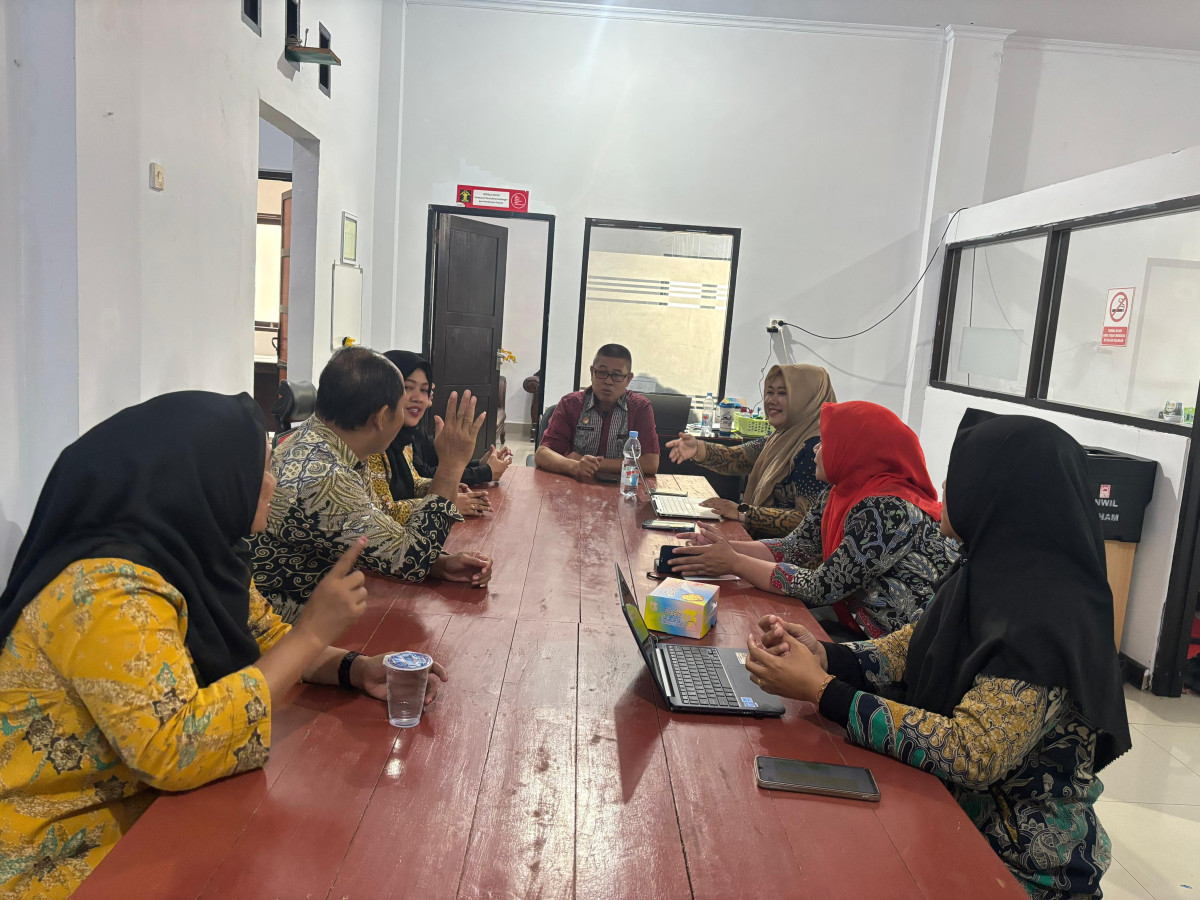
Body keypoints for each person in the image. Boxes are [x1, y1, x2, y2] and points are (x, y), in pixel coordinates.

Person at [0, 391, 447, 898]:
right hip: (67, 853)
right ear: (204, 478)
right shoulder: (107, 589)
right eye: (259, 469)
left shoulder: (199, 554)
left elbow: (267, 639)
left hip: (152, 815)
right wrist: (311, 633)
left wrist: (354, 668)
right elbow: (174, 749)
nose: (273, 483)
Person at [744, 410, 1132, 899]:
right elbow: (913, 645)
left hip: (1017, 865)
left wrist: (824, 692)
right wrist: (824, 656)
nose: (946, 486)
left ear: (1002, 492)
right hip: (947, 815)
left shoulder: (1048, 617)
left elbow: (972, 752)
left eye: (962, 474)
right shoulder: (987, 569)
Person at [670, 400, 957, 638]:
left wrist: (734, 563)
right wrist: (725, 547)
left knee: (759, 638)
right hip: (858, 623)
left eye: (827, 441)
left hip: (896, 646)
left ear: (853, 449)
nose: (817, 449)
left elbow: (822, 586)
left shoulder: (887, 509)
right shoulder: (839, 492)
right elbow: (796, 547)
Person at [250, 347, 493, 623]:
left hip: (323, 612)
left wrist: (441, 564)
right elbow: (410, 560)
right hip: (285, 631)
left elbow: (371, 535)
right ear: (381, 417)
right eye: (403, 398)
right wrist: (451, 464)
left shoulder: (330, 443)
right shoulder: (326, 477)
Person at [666, 364, 834, 538]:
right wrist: (698, 448)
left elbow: (807, 520)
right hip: (761, 544)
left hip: (783, 551)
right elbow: (739, 458)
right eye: (769, 392)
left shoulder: (815, 448)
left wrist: (743, 512)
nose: (771, 400)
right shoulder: (781, 436)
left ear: (807, 398)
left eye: (782, 393)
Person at [364, 350, 501, 522]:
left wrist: (449, 487)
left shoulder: (404, 435)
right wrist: (445, 501)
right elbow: (381, 513)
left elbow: (415, 481)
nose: (420, 398)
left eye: (424, 390)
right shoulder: (372, 442)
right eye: (407, 387)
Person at [534, 343, 660, 481]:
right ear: (592, 372)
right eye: (602, 373)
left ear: (628, 379)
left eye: (617, 375)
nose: (608, 381)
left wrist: (589, 463)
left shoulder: (640, 408)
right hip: (575, 486)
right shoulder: (570, 404)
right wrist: (574, 466)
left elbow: (651, 463)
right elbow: (542, 454)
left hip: (622, 487)